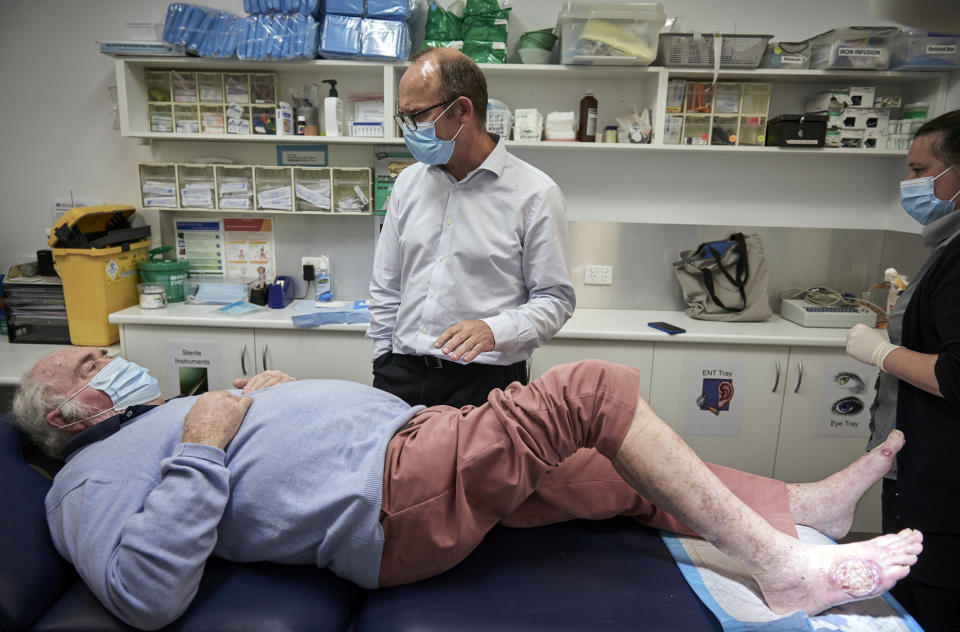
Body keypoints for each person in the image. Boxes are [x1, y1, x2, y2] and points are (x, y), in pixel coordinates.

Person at [12, 347, 921, 630]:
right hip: (391, 499)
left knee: (610, 470)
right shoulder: (83, 481)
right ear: (65, 417)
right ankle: (784, 567)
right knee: (592, 392)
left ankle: (804, 509)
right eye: (93, 366)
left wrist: (265, 401)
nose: (115, 362)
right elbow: (142, 594)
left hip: (416, 448)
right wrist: (205, 443)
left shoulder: (171, 412)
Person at [367, 47, 576, 408]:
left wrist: (494, 330)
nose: (408, 131)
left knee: (478, 468)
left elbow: (555, 301)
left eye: (416, 115)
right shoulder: (408, 184)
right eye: (404, 118)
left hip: (483, 383)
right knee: (391, 467)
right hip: (400, 374)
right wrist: (382, 357)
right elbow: (387, 285)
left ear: (462, 110)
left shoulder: (535, 194)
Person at [845, 109, 960, 631]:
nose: (909, 184)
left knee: (928, 598)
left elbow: (957, 374)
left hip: (943, 489)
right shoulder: (946, 248)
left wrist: (879, 352)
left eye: (919, 170)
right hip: (921, 472)